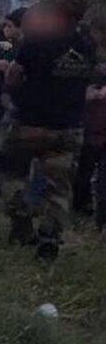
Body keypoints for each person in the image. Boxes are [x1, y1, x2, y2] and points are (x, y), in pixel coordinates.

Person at [0, 0, 98, 260]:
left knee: (11, 172)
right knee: (59, 187)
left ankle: (22, 224)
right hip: (68, 127)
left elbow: (14, 75)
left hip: (29, 122)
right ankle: (50, 240)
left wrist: (13, 91)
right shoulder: (86, 45)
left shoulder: (37, 42)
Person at [73, 65, 106, 231]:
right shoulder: (90, 74)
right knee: (83, 174)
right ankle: (81, 209)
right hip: (90, 135)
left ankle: (101, 221)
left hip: (95, 134)